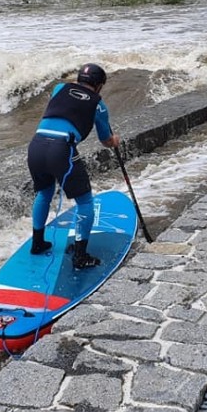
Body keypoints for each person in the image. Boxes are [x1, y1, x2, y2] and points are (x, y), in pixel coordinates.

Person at [27, 63, 121, 268]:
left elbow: (68, 98)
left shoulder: (59, 89)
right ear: (99, 85)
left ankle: (37, 243)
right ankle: (80, 256)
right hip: (61, 150)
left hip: (36, 146)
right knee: (85, 201)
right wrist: (114, 141)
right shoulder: (99, 105)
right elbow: (105, 140)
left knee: (44, 193)